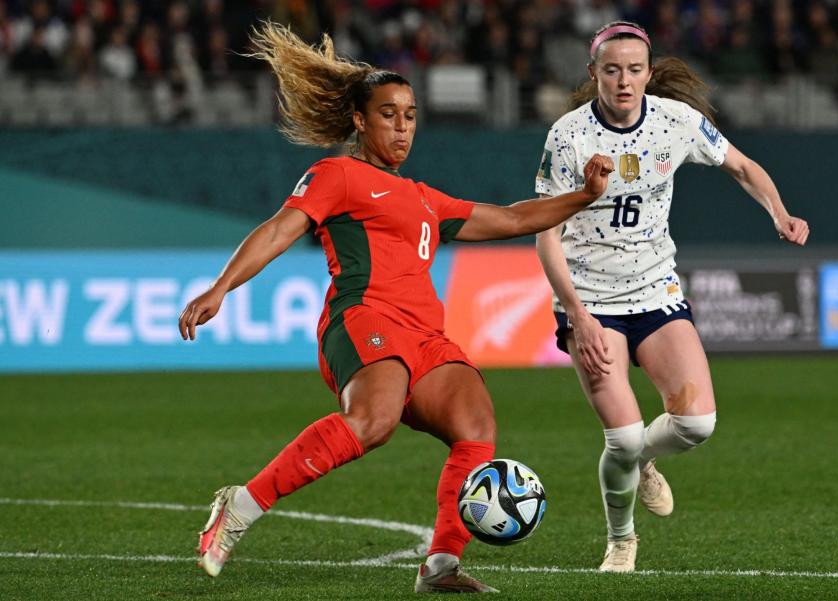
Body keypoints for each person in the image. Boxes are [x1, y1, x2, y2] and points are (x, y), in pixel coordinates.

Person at [178, 22, 614, 594]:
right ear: (360, 120)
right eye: (388, 114)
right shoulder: (337, 174)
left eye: (410, 115)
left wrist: (582, 197)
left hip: (425, 336)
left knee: (476, 424)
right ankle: (240, 506)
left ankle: (441, 565)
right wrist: (220, 288)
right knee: (374, 422)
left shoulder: (426, 198)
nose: (402, 126)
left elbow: (509, 218)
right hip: (362, 320)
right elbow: (280, 229)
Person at [534, 21, 809, 573]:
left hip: (655, 290)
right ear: (594, 75)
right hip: (590, 300)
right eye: (611, 70)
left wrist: (778, 211)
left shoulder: (676, 122)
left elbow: (741, 165)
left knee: (696, 425)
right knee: (624, 436)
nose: (624, 80)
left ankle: (644, 464)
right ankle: (622, 541)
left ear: (649, 74)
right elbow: (546, 234)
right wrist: (578, 318)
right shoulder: (568, 135)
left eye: (634, 70)